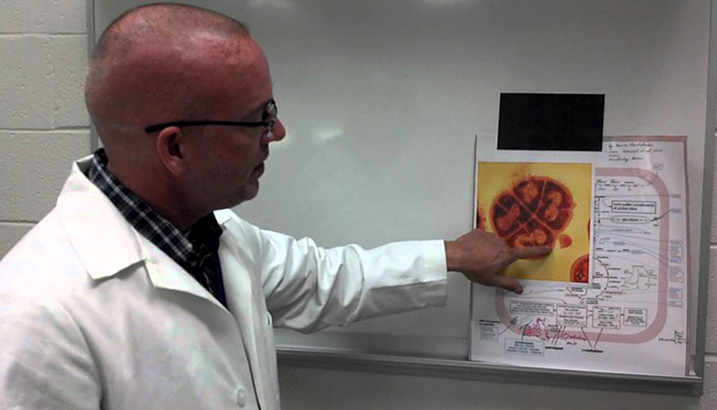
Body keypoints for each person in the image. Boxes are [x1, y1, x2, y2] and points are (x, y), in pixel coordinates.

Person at [0, 4, 549, 409]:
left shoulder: (216, 237)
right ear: (174, 147)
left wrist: (452, 255)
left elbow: (325, 280)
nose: (279, 132)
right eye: (258, 118)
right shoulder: (36, 317)